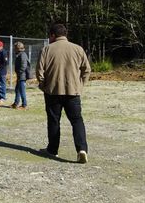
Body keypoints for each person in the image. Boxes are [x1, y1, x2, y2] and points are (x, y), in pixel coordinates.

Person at [36, 23, 91, 163]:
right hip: (73, 91)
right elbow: (87, 69)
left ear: (53, 35)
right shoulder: (78, 49)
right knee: (77, 120)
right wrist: (81, 85)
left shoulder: (47, 49)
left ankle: (53, 150)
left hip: (52, 91)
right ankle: (81, 149)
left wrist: (43, 85)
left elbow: (39, 71)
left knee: (54, 121)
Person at [11, 41, 29, 110]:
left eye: (15, 47)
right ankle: (16, 103)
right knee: (17, 90)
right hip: (20, 75)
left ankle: (24, 105)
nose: (14, 49)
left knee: (22, 90)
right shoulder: (19, 54)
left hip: (22, 75)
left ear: (18, 48)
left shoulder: (23, 54)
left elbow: (24, 66)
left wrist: (19, 72)